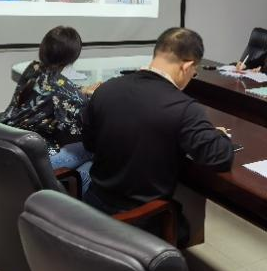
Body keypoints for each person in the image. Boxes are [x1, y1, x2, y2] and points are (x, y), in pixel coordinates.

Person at [82, 27, 233, 245]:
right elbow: (220, 158)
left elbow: (89, 143)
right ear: (187, 66)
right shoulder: (184, 108)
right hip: (139, 219)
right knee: (182, 228)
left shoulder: (106, 89)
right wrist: (218, 135)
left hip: (92, 204)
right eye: (194, 73)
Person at [0, 26, 100, 193]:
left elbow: (52, 90)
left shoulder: (33, 69)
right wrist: (83, 95)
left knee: (87, 164)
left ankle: (76, 188)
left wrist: (78, 91)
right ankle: (81, 197)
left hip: (6, 144)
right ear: (74, 55)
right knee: (96, 148)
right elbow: (81, 130)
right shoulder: (65, 92)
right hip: (32, 157)